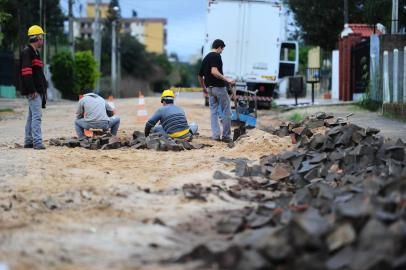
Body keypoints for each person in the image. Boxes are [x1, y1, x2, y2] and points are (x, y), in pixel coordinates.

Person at [198, 39, 235, 143]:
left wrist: (204, 88)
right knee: (226, 111)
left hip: (210, 89)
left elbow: (200, 76)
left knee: (213, 112)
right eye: (222, 49)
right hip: (219, 88)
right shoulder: (216, 56)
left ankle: (216, 135)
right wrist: (227, 79)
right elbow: (214, 71)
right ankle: (226, 136)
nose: (222, 51)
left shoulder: (205, 58)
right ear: (219, 47)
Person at [20, 25, 48, 150]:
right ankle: (37, 142)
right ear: (38, 38)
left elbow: (37, 73)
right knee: (37, 116)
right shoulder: (27, 52)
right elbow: (26, 72)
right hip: (34, 91)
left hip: (38, 90)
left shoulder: (35, 53)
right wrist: (32, 90)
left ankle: (28, 141)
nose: (43, 40)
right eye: (42, 37)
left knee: (32, 116)